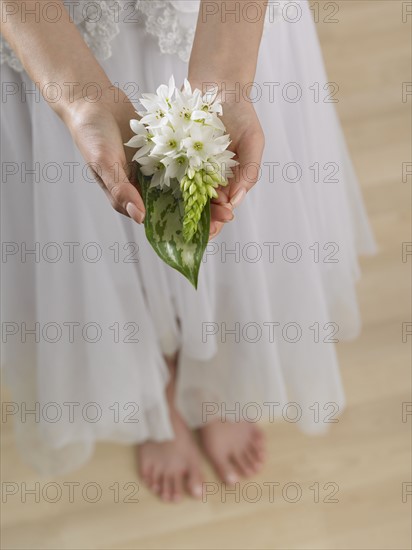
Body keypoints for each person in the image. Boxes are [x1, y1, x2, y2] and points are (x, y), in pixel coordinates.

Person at [1, 0, 376, 502]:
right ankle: (161, 375)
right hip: (54, 36)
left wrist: (227, 79)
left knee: (234, 211)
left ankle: (212, 363)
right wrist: (81, 100)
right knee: (96, 221)